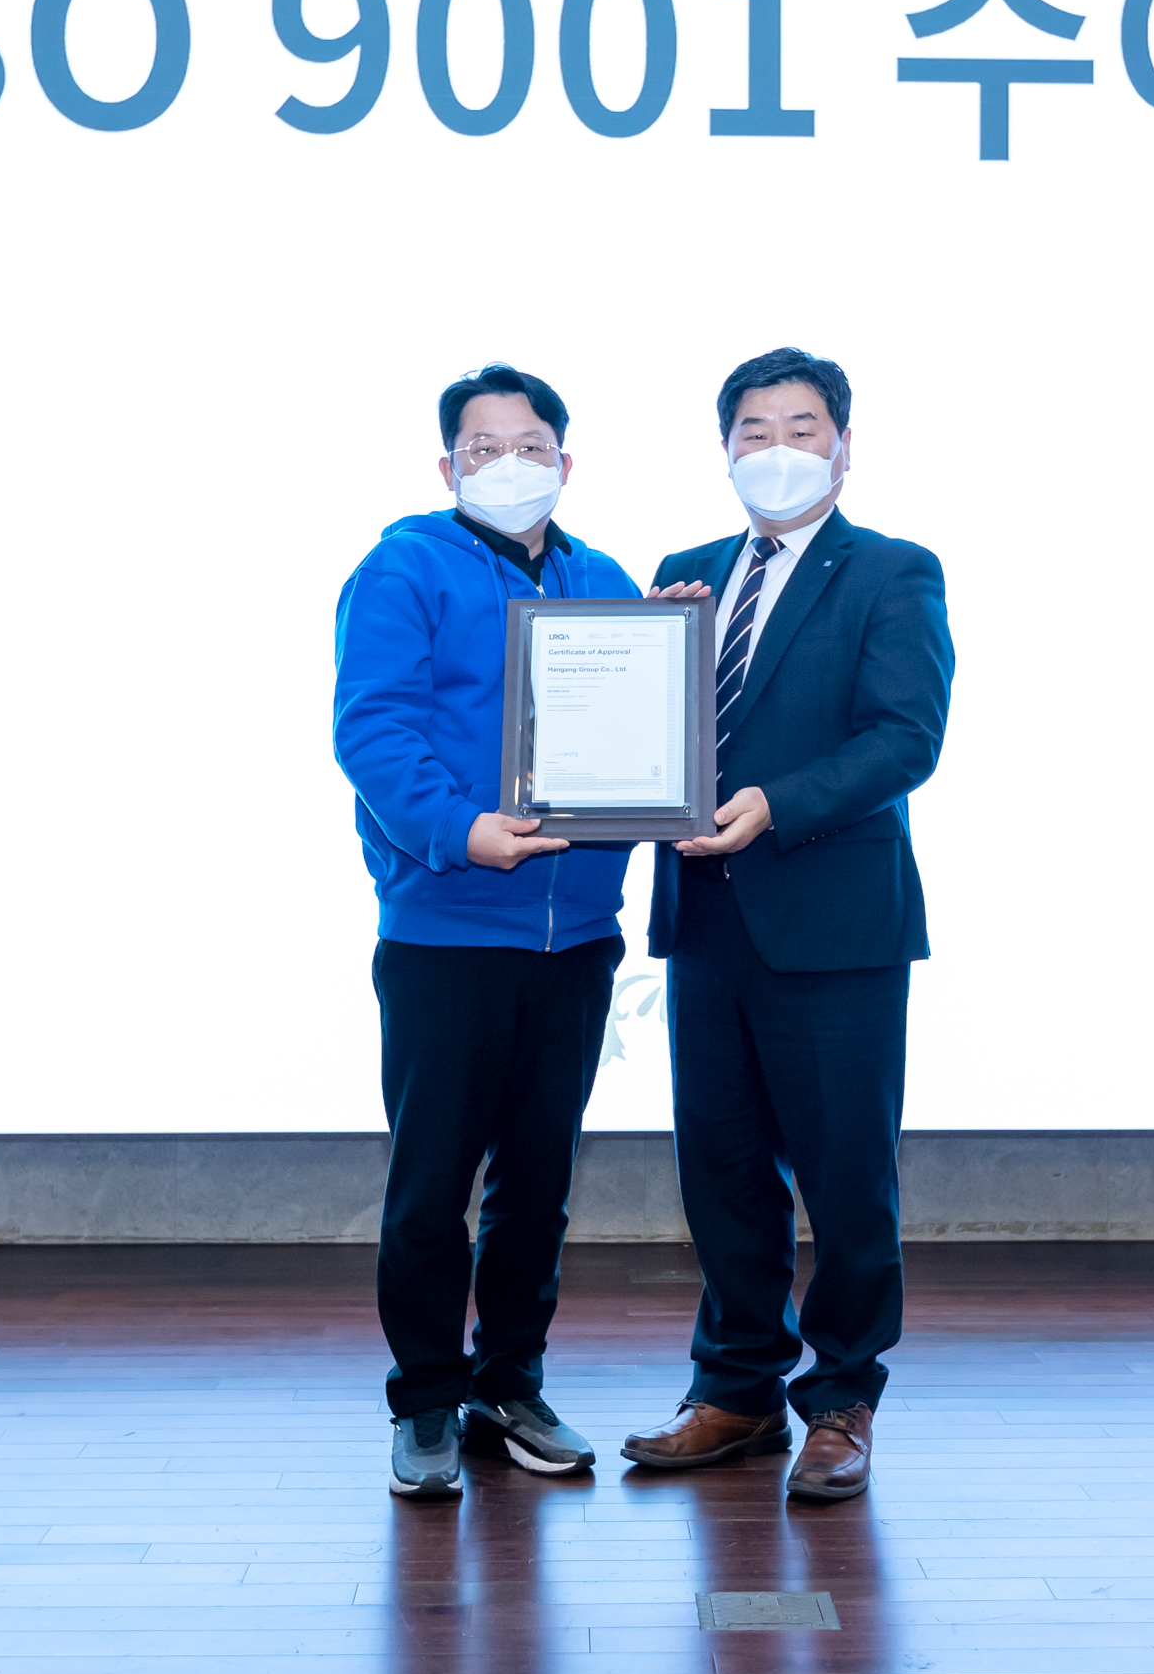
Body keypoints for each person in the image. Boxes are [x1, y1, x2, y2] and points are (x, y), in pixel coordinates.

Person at [618, 347, 953, 1502]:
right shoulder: (685, 573)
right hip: (706, 916)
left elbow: (905, 736)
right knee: (721, 1170)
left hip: (835, 920)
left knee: (847, 1176)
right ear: (725, 450)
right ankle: (737, 1389)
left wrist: (778, 803)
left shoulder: (894, 571)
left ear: (844, 447)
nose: (778, 449)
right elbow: (644, 739)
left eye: (802, 427)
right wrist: (648, 657)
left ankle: (844, 1397)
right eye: (754, 430)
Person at [332, 363, 645, 1499]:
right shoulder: (403, 569)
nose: (508, 465)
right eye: (483, 448)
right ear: (447, 466)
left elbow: (645, 729)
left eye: (529, 447)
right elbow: (373, 729)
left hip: (576, 937)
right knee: (431, 1186)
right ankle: (425, 1398)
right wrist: (462, 831)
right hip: (448, 931)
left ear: (565, 461)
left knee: (538, 1185)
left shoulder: (606, 581)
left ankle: (509, 1385)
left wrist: (676, 650)